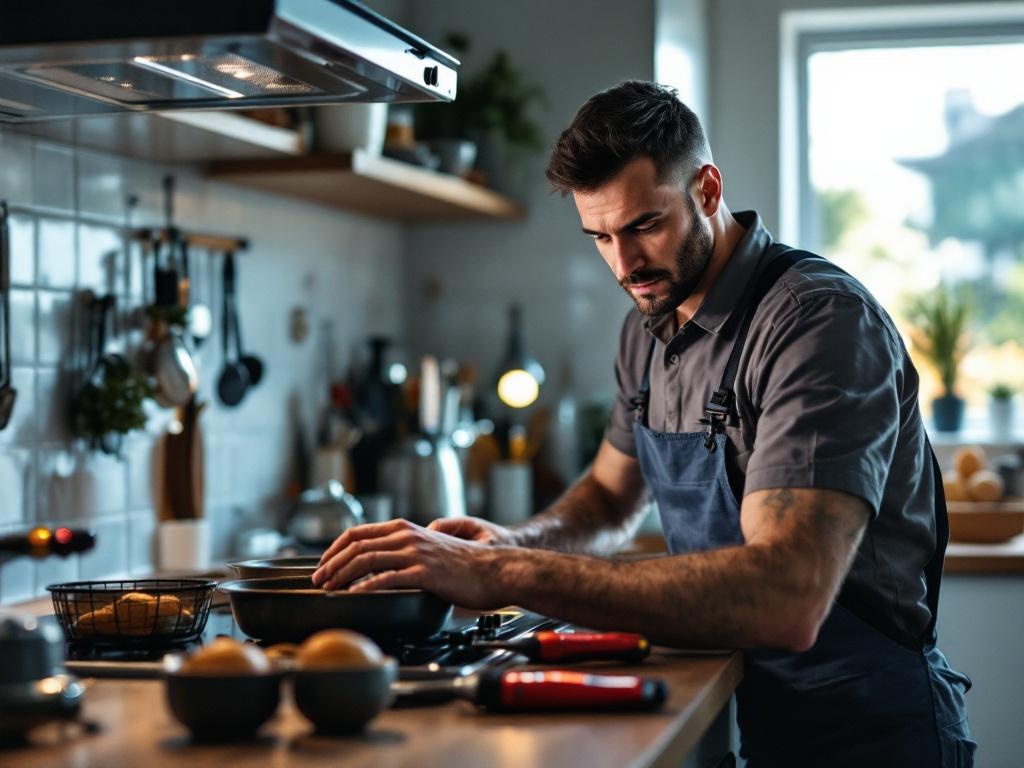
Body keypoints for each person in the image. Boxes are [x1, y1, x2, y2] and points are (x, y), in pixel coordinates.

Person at [313, 80, 973, 766]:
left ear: (707, 190)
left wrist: (503, 570)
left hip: (875, 732)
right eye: (600, 236)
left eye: (643, 226)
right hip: (765, 718)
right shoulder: (649, 328)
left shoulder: (816, 322)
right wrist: (512, 539)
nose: (625, 266)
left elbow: (787, 594)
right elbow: (608, 498)